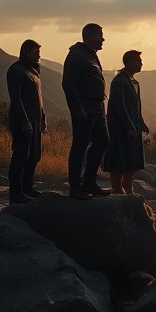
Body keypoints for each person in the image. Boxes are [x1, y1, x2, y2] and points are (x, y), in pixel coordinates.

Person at [63, 23, 112, 199]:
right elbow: (68, 84)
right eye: (100, 35)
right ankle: (75, 188)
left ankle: (89, 182)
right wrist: (77, 109)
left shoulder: (90, 55)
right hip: (85, 108)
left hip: (97, 108)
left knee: (103, 141)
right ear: (89, 37)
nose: (103, 39)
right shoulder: (76, 56)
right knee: (80, 145)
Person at [6, 39, 47, 204]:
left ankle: (27, 187)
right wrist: (24, 121)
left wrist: (43, 118)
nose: (39, 55)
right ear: (27, 52)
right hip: (22, 120)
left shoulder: (34, 71)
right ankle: (16, 192)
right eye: (36, 52)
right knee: (21, 156)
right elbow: (16, 98)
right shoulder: (16, 70)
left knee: (34, 156)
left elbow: (39, 99)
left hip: (36, 120)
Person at [104, 50, 150, 195]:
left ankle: (129, 189)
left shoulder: (134, 82)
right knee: (120, 158)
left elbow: (136, 106)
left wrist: (141, 122)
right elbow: (119, 106)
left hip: (132, 127)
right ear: (129, 63)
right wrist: (129, 125)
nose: (141, 64)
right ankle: (117, 188)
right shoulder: (120, 81)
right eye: (138, 61)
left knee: (131, 160)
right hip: (120, 128)